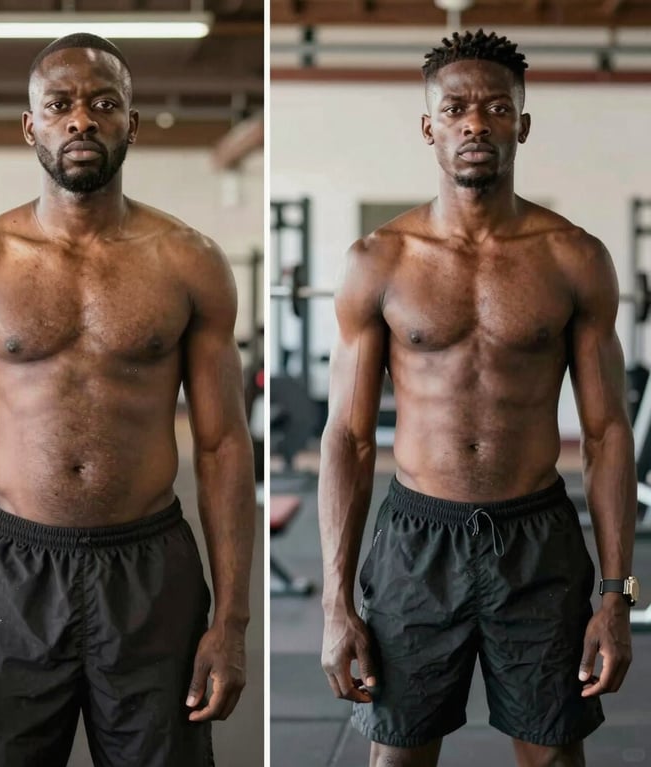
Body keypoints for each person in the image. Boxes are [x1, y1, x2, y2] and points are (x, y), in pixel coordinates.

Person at [0, 33, 255, 767]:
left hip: (150, 567)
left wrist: (232, 621)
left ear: (131, 123)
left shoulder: (189, 261)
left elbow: (225, 445)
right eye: (60, 105)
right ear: (31, 125)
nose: (81, 120)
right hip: (14, 569)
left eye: (103, 103)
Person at [318, 29, 637, 767]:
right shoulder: (379, 261)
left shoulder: (574, 258)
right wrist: (336, 604)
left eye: (497, 107)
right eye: (456, 107)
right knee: (398, 756)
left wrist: (618, 594)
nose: (476, 122)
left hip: (536, 539)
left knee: (553, 756)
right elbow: (349, 438)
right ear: (429, 126)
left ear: (522, 124)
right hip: (415, 541)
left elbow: (607, 434)